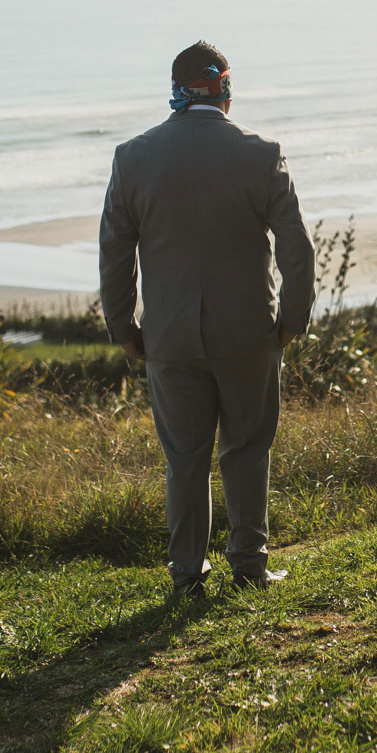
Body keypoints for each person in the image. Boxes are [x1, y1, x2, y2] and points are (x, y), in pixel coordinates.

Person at [98, 41, 314, 597]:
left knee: (185, 458)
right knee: (246, 448)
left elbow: (115, 252)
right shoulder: (261, 153)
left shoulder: (132, 157)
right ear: (224, 88)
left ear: (175, 86)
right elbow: (297, 245)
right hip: (249, 334)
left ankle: (187, 573)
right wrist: (293, 319)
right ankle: (249, 565)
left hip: (168, 337)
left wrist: (124, 328)